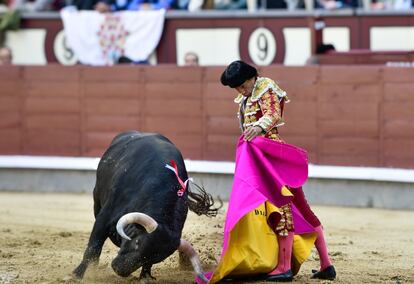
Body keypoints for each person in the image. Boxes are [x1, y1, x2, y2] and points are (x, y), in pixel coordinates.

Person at [214, 60, 336, 282]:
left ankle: (284, 267)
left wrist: (260, 126)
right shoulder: (246, 96)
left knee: (283, 208)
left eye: (242, 85)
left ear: (252, 77)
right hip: (260, 158)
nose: (241, 90)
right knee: (299, 208)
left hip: (272, 156)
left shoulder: (265, 86)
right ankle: (326, 264)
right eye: (237, 88)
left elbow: (273, 114)